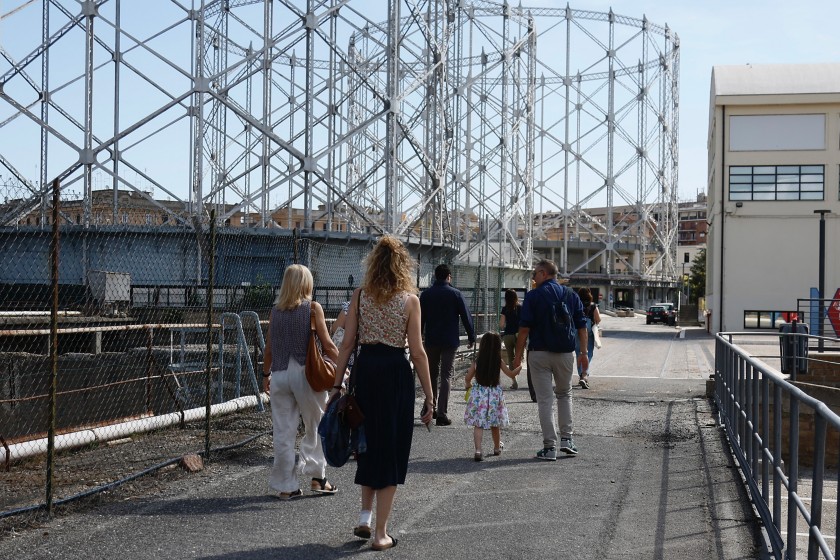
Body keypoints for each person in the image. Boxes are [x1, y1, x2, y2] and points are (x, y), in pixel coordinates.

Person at [330, 236, 435, 551]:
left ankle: (365, 516)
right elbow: (417, 352)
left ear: (373, 264)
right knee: (390, 448)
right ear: (404, 266)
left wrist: (337, 386)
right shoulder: (409, 301)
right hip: (394, 372)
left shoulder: (360, 296)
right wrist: (430, 396)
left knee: (367, 442)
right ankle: (380, 534)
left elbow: (346, 344)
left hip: (365, 371)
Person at [262, 264, 339, 500]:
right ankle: (318, 477)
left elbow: (269, 349)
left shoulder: (275, 312)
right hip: (305, 374)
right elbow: (327, 345)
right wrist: (344, 366)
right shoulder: (312, 309)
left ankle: (287, 486)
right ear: (306, 284)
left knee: (283, 431)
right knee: (316, 424)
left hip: (280, 374)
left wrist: (265, 375)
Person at [513, 259, 588, 460]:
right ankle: (567, 439)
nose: (533, 279)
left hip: (539, 353)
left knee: (545, 400)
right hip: (565, 354)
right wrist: (584, 354)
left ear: (544, 274)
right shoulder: (571, 295)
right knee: (565, 394)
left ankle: (549, 447)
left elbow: (524, 329)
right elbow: (582, 326)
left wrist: (518, 356)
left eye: (535, 274)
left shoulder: (533, 296)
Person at [419, 263, 476, 426]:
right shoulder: (456, 294)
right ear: (449, 277)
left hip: (431, 341)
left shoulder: (426, 295)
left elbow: (420, 319)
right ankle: (442, 414)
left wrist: (419, 336)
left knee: (431, 374)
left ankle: (430, 407)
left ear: (435, 276)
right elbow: (466, 316)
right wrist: (471, 336)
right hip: (450, 341)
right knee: (446, 375)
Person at [464, 332, 521, 461]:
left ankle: (478, 450)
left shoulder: (477, 361)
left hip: (479, 393)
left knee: (478, 424)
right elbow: (511, 374)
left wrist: (468, 386)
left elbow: (468, 378)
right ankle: (496, 448)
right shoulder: (498, 360)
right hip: (494, 394)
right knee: (495, 423)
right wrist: (520, 366)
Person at [575, 287, 601, 389]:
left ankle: (581, 374)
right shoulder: (593, 306)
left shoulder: (576, 305)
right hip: (589, 333)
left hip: (577, 331)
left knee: (578, 354)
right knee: (588, 353)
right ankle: (584, 375)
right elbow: (598, 319)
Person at [499, 289, 521, 389]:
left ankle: (514, 381)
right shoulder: (521, 307)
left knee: (510, 356)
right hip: (519, 335)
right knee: (518, 356)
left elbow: (501, 324)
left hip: (508, 335)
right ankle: (519, 371)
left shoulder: (505, 309)